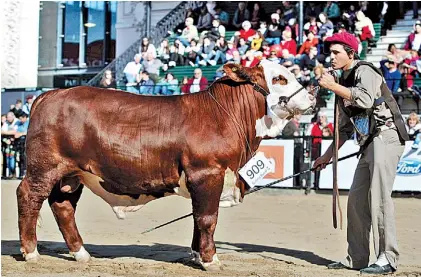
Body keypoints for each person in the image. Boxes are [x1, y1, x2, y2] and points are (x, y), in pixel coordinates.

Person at [314, 32, 409, 275]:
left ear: (351, 54)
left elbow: (365, 100)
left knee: (378, 198)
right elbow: (344, 130)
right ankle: (357, 257)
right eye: (330, 52)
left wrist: (332, 86)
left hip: (386, 136)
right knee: (356, 201)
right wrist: (326, 157)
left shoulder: (365, 70)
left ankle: (387, 258)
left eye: (336, 52)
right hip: (368, 143)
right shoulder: (342, 83)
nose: (331, 57)